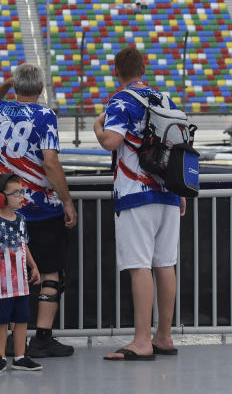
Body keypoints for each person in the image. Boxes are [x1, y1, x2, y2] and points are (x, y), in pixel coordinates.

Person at [0, 63, 77, 358]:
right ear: (42, 89)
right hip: (41, 209)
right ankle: (42, 338)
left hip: (6, 209)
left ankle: (8, 338)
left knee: (8, 272)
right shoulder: (46, 115)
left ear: (17, 87)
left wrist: (7, 84)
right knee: (49, 272)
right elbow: (50, 162)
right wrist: (68, 201)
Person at [93, 46, 185, 361]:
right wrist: (180, 191)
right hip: (170, 193)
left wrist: (97, 127)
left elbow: (111, 141)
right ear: (143, 69)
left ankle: (142, 341)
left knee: (139, 266)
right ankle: (164, 336)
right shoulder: (165, 99)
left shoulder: (120, 100)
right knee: (164, 264)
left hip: (135, 193)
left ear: (116, 72)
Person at [0, 173, 44, 374]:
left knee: (22, 320)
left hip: (20, 284)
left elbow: (24, 245)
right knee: (1, 322)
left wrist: (34, 266)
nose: (22, 196)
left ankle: (20, 357)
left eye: (22, 192)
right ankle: (0, 356)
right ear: (0, 198)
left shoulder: (21, 220)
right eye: (16, 193)